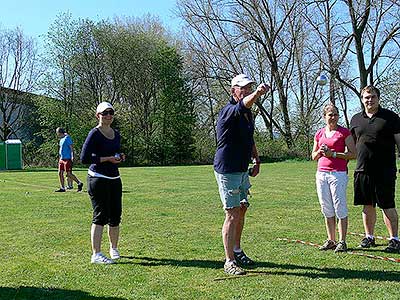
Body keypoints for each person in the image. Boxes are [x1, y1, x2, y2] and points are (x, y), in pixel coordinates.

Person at [214, 74, 270, 275]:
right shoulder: (230, 111)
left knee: (242, 209)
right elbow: (245, 104)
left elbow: (249, 138)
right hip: (227, 169)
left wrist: (256, 159)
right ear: (233, 91)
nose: (246, 91)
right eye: (243, 88)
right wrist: (258, 93)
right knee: (232, 213)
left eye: (249, 87)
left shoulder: (248, 115)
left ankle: (237, 251)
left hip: (241, 168)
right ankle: (229, 261)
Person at [350, 85, 400, 253]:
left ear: (378, 98)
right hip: (363, 170)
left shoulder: (390, 117)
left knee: (387, 205)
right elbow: (353, 145)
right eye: (366, 97)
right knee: (367, 205)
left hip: (385, 170)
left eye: (372, 97)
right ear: (362, 99)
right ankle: (369, 237)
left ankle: (394, 239)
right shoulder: (355, 119)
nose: (369, 100)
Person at [80, 102, 125, 264]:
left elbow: (114, 152)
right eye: (104, 113)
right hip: (97, 178)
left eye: (111, 112)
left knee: (115, 216)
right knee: (100, 216)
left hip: (114, 178)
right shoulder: (94, 134)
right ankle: (96, 254)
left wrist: (119, 157)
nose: (108, 116)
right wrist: (107, 159)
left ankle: (113, 248)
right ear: (97, 115)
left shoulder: (116, 134)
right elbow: (84, 158)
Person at [312, 104, 356, 252]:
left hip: (338, 174)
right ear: (324, 117)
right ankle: (331, 240)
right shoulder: (319, 133)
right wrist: (320, 151)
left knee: (340, 207)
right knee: (326, 207)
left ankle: (342, 241)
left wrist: (334, 154)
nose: (333, 117)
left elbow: (353, 154)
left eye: (336, 114)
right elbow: (313, 156)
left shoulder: (344, 132)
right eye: (330, 114)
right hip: (321, 173)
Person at [55, 127, 83, 192]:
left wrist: (72, 156)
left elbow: (71, 148)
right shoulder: (61, 139)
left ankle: (79, 183)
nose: (57, 134)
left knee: (68, 174)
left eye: (57, 132)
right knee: (60, 173)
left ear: (59, 132)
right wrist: (60, 158)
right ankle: (62, 188)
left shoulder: (67, 138)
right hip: (62, 159)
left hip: (67, 159)